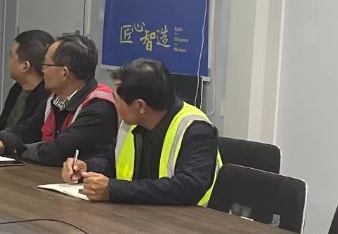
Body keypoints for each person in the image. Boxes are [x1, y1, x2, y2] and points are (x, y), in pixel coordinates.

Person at [62, 57, 221, 205]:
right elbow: (111, 163)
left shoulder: (196, 130)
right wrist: (86, 168)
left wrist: (115, 190)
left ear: (140, 106)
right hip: (138, 214)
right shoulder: (131, 123)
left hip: (191, 220)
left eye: (117, 100)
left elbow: (188, 187)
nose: (114, 106)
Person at [0, 33, 116, 167]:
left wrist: (15, 150)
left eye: (46, 65)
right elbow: (25, 133)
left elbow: (58, 150)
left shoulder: (98, 106)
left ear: (64, 73)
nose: (42, 71)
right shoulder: (55, 99)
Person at [0, 29, 54, 134]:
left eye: (11, 56)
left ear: (25, 66)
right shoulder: (17, 89)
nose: (9, 61)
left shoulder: (45, 100)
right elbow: (0, 124)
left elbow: (25, 136)